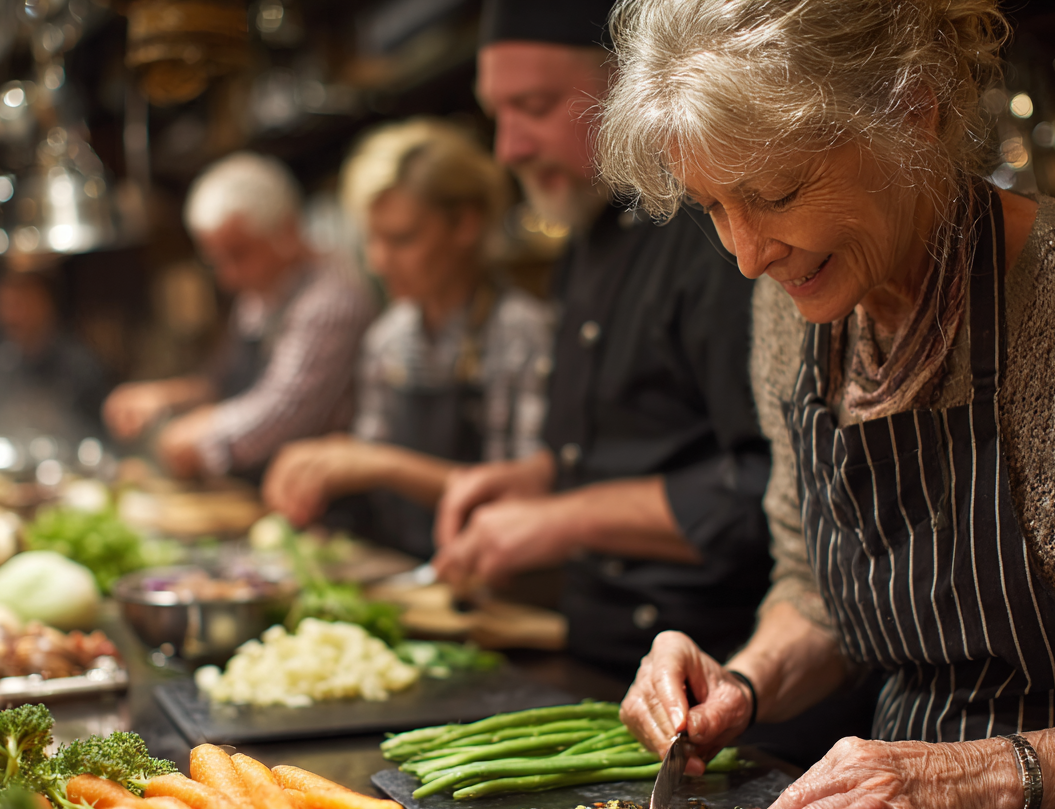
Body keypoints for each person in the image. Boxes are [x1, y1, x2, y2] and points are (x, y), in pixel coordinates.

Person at [601, 0, 1055, 809]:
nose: (746, 254)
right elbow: (816, 592)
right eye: (714, 207)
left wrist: (974, 777)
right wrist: (740, 683)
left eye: (776, 194)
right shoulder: (792, 312)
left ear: (912, 111)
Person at [430, 0, 773, 674]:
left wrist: (563, 518)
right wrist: (536, 478)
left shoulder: (719, 231)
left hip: (715, 672)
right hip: (592, 651)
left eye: (534, 106)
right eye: (497, 115)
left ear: (632, 84)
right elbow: (636, 445)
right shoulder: (585, 240)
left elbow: (769, 488)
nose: (508, 149)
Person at [262, 119, 554, 559]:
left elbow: (520, 500)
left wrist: (382, 464)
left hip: (487, 573)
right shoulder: (389, 338)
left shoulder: (520, 333)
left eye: (401, 239)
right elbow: (368, 468)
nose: (378, 262)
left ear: (466, 225)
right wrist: (326, 474)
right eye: (372, 240)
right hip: (404, 567)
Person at [102, 153, 374, 479]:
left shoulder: (331, 301)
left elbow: (282, 412)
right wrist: (165, 397)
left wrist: (200, 437)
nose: (227, 278)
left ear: (287, 231)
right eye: (217, 260)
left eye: (239, 255)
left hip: (320, 493)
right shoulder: (260, 296)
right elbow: (226, 384)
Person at [0, 268, 108, 446]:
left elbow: (97, 435)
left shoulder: (79, 366)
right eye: (3, 305)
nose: (9, 317)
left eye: (18, 304)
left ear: (44, 303)